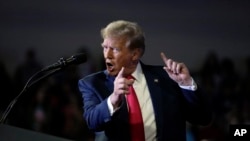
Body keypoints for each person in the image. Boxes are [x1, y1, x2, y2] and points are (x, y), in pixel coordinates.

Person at [78, 20, 212, 141]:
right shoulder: (93, 83)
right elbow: (92, 122)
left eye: (115, 49)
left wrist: (186, 84)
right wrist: (113, 99)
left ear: (135, 54)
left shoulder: (168, 77)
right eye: (105, 47)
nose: (107, 55)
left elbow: (203, 118)